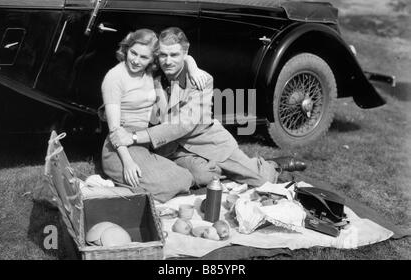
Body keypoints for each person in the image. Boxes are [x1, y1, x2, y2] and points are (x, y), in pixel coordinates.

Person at [110, 27, 305, 188]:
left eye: (174, 55)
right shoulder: (152, 76)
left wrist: (134, 137)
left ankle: (272, 164)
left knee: (263, 180)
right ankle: (219, 173)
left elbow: (184, 125)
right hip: (175, 149)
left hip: (210, 143)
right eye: (163, 55)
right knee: (204, 178)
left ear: (185, 53)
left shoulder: (201, 80)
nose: (167, 61)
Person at [100, 28, 209, 202]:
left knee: (191, 176)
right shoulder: (114, 78)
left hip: (143, 140)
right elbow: (115, 130)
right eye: (133, 53)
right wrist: (128, 163)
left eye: (144, 57)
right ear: (126, 49)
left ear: (152, 59)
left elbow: (180, 54)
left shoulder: (149, 73)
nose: (136, 60)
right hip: (120, 147)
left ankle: (145, 178)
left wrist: (193, 68)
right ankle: (112, 181)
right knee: (174, 182)